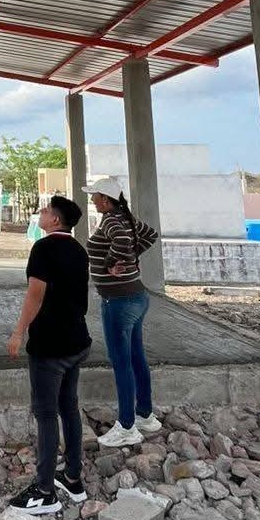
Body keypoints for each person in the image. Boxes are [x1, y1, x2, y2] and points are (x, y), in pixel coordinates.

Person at [6, 194, 92, 515]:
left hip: (51, 348)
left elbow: (35, 295)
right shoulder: (78, 250)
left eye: (45, 210)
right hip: (77, 343)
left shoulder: (43, 248)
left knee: (45, 415)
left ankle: (44, 492)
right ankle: (72, 477)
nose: (40, 213)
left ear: (55, 220)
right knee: (68, 407)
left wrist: (19, 332)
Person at [86, 176, 161, 448]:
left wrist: (110, 262)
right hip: (136, 297)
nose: (92, 199)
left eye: (95, 195)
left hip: (119, 302)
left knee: (122, 363)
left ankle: (127, 426)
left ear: (106, 200)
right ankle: (145, 415)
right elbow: (150, 235)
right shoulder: (125, 218)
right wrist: (130, 256)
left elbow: (119, 240)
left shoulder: (111, 221)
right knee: (136, 357)